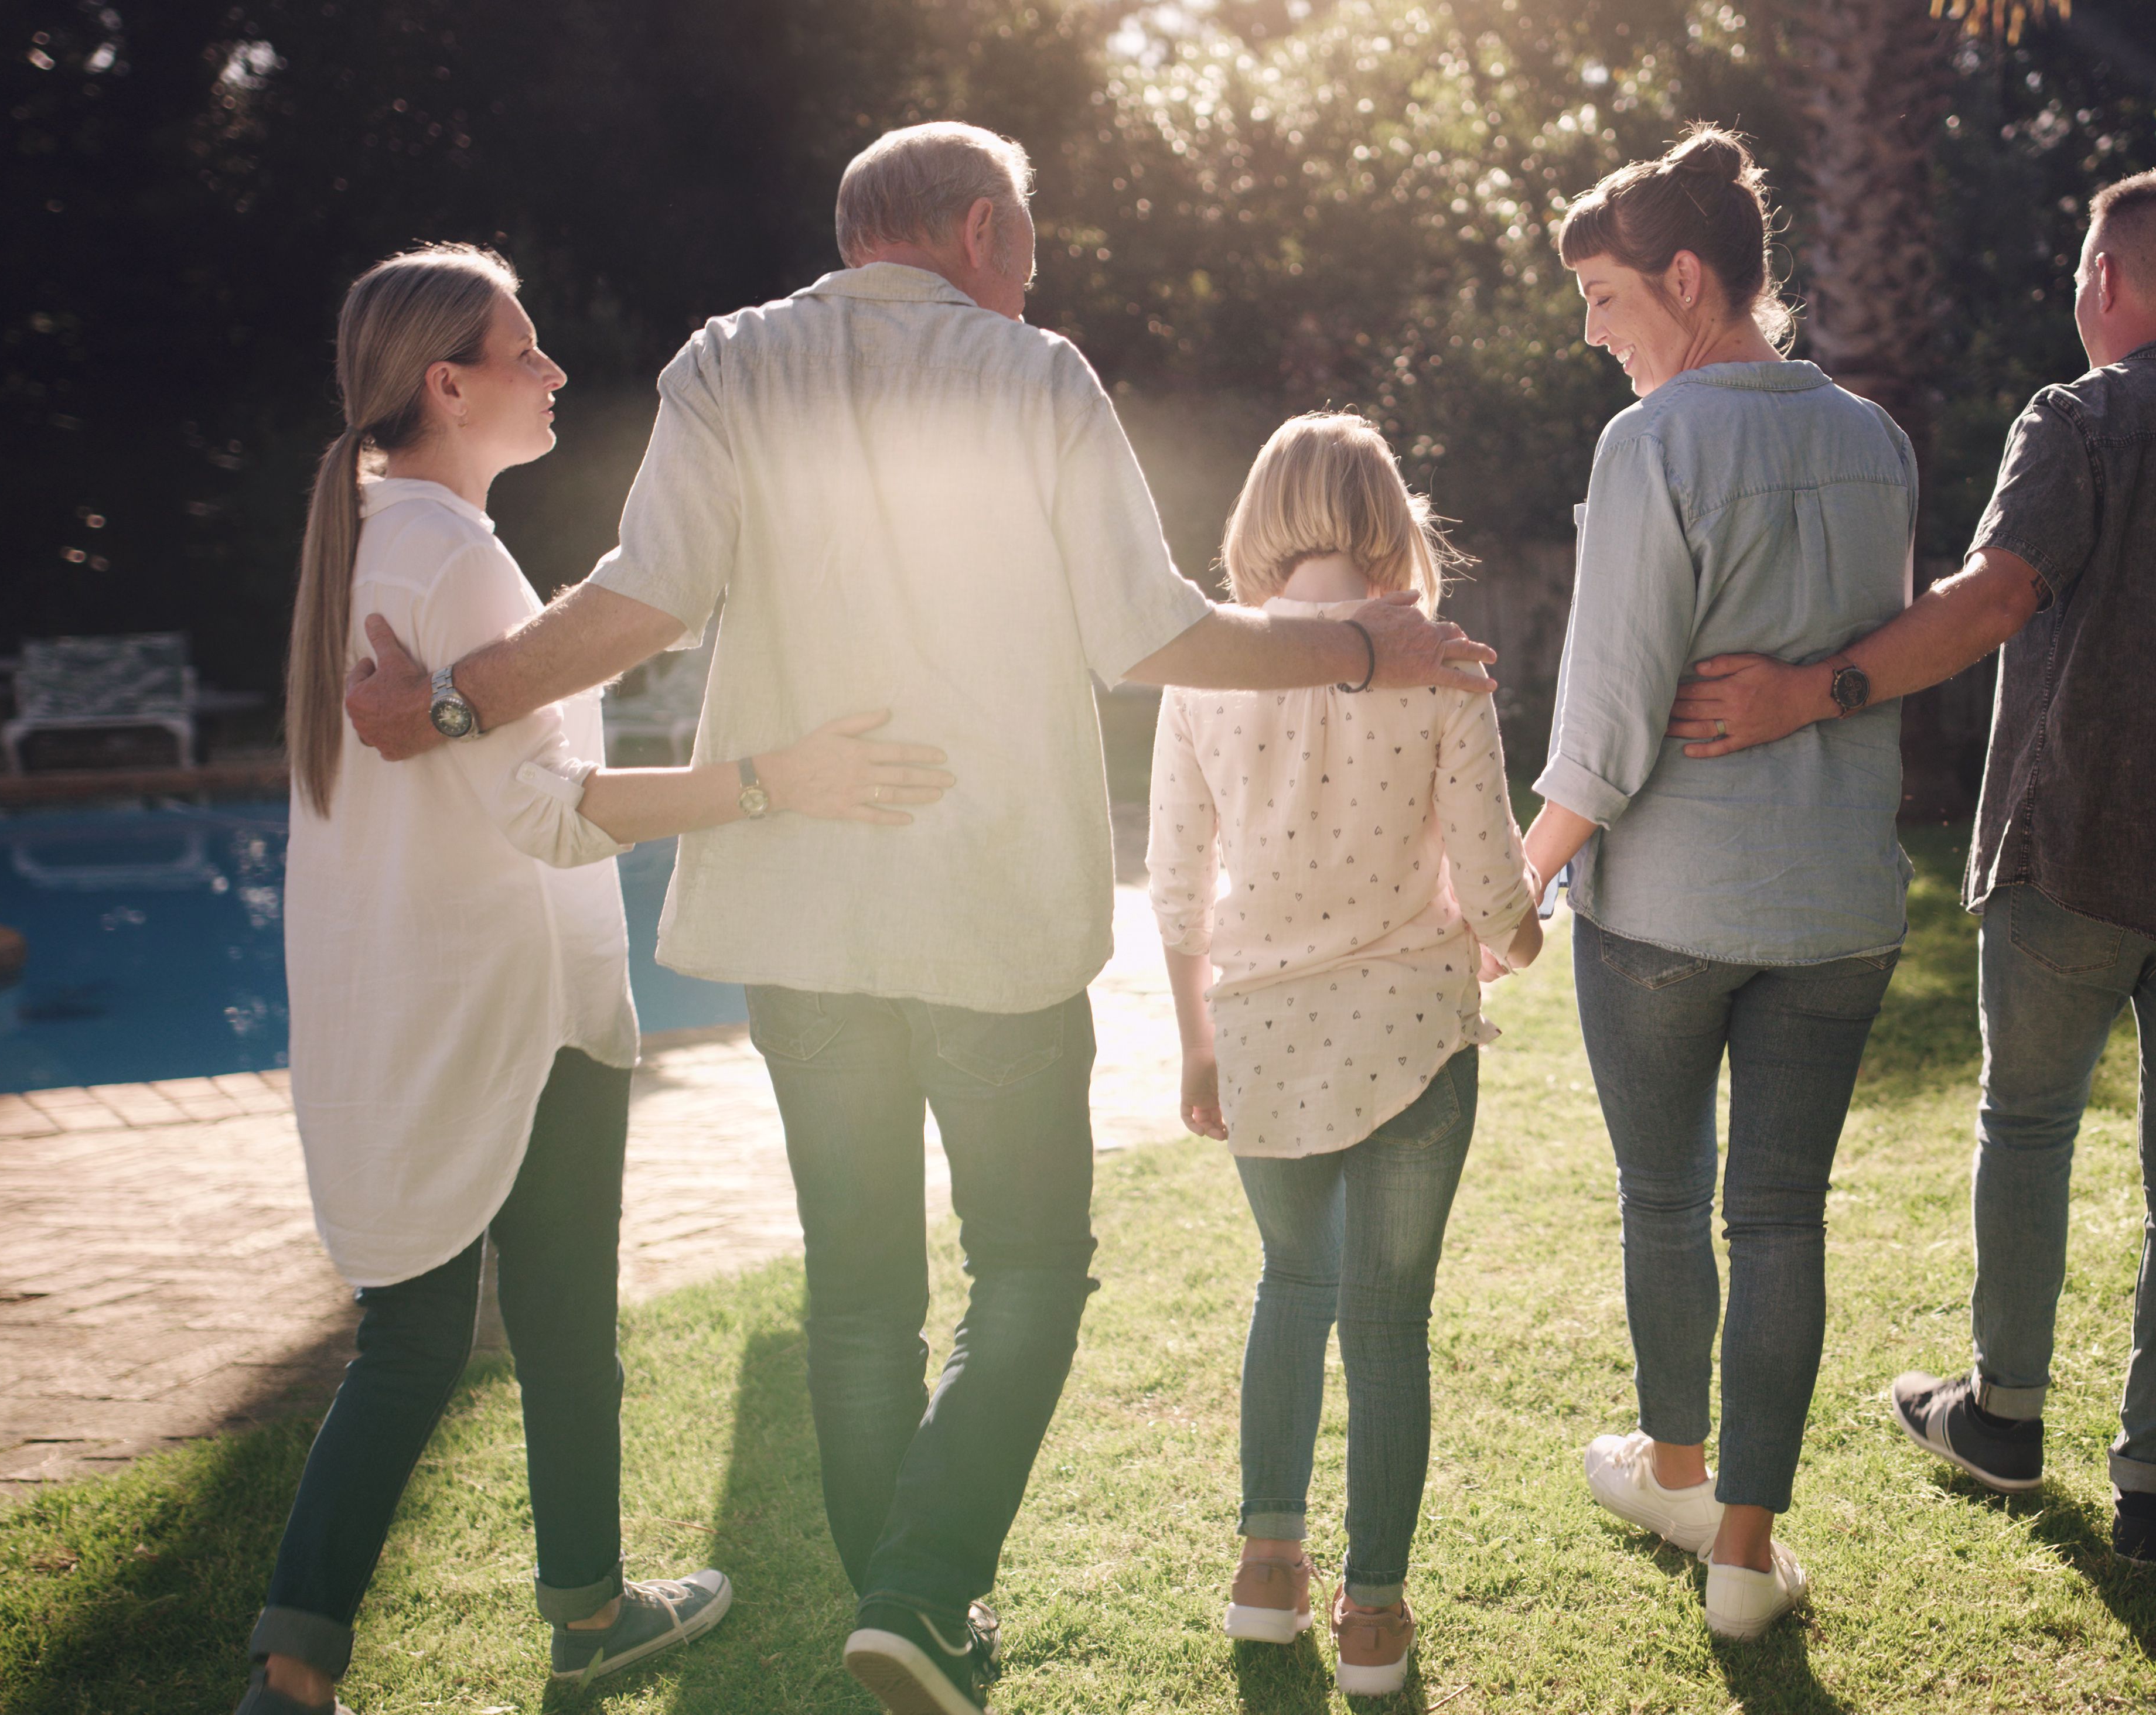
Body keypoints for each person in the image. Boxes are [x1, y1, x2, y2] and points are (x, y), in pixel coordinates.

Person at [339, 125, 1496, 1715]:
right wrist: (1363, 648)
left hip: (801, 928)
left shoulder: (729, 362)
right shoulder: (1038, 376)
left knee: (858, 1295)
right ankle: (918, 1592)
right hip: (991, 922)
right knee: (1030, 1270)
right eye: (1028, 247)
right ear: (979, 232)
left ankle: (910, 1610)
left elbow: (642, 597)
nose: (1031, 279)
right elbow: (1150, 635)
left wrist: (460, 701)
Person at [250, 244, 936, 1715]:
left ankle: (361, 1656)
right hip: (515, 1012)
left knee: (445, 1337)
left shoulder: (373, 540)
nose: (554, 372)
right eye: (525, 351)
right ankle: (561, 1619)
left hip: (434, 1004)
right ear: (448, 386)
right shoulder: (448, 555)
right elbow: (555, 814)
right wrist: (779, 780)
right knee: (536, 1333)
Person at [1668, 170, 2156, 1562]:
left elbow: (1993, 598)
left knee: (2031, 1123)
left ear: (2104, 281)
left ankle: (2002, 1415)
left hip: (2075, 854)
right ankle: (2155, 1487)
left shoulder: (2078, 419)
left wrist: (1809, 691)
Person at [1521, 126, 1918, 1641]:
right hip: (1839, 910)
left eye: (1605, 297)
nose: (1593, 332)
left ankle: (1678, 1470)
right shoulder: (1878, 443)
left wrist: (1514, 881)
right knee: (1783, 1220)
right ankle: (1742, 1555)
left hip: (1668, 918)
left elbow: (1608, 722)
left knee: (1665, 1197)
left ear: (1687, 280)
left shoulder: (1653, 444)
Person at [1146, 414, 1543, 1697]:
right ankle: (1373, 1617)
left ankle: (1267, 1573)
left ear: (1261, 517)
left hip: (1259, 1034)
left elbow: (1175, 885)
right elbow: (1493, 878)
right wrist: (1520, 938)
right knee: (1387, 1323)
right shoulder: (1441, 665)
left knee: (1289, 1286)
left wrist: (1195, 1043)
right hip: (1415, 1037)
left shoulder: (1205, 670)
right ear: (1389, 516)